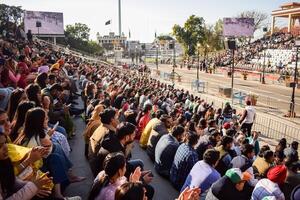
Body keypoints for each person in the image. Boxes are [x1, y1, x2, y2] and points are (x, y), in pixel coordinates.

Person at [0, 129, 53, 200]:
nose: (6, 148)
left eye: (5, 143)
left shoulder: (5, 160)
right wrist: (32, 187)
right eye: (0, 146)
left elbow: (12, 180)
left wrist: (32, 186)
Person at [89, 108, 119, 176]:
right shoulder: (109, 134)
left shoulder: (101, 127)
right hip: (101, 171)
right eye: (117, 117)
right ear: (112, 120)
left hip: (94, 164)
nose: (118, 119)